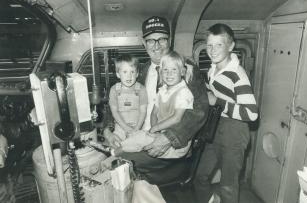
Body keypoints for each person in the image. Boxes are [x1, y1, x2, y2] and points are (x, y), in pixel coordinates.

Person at [104, 16, 209, 181]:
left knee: (115, 166)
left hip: (169, 145)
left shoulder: (186, 69)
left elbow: (200, 110)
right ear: (144, 43)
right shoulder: (139, 71)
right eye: (151, 41)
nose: (157, 45)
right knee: (103, 155)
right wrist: (108, 131)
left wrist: (168, 138)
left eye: (162, 39)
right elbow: (117, 100)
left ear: (170, 40)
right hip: (139, 135)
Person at [194, 23, 259, 203]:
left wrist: (218, 102)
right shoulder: (212, 69)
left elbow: (251, 113)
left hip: (235, 133)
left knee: (228, 187)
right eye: (209, 45)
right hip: (216, 129)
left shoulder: (238, 75)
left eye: (218, 45)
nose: (212, 50)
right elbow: (211, 92)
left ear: (230, 46)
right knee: (199, 177)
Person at [116, 51, 194, 158]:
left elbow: (176, 118)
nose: (169, 74)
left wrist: (155, 129)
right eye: (165, 70)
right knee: (135, 136)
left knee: (137, 141)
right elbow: (154, 113)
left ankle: (113, 153)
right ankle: (118, 151)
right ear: (161, 72)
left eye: (174, 70)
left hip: (174, 144)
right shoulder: (162, 90)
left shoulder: (184, 92)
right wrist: (154, 131)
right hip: (159, 134)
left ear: (182, 72)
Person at [108, 54, 148, 149]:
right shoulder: (114, 90)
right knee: (117, 146)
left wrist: (136, 130)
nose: (129, 76)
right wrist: (126, 128)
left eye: (132, 72)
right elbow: (114, 112)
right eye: (125, 72)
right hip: (120, 127)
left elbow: (143, 111)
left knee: (138, 147)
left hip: (138, 126)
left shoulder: (141, 89)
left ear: (137, 73)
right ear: (118, 74)